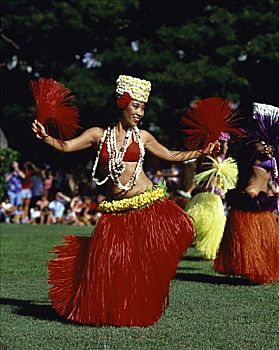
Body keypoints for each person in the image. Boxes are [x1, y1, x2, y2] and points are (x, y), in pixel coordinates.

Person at [31, 75, 218, 327]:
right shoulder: (98, 134)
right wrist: (46, 138)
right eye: (136, 106)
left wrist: (201, 151)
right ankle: (115, 311)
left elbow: (171, 154)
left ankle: (138, 304)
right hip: (116, 212)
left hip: (148, 205)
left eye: (143, 107)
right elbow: (66, 146)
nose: (140, 112)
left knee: (157, 250)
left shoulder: (143, 137)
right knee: (109, 263)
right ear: (123, 103)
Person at [214, 102, 279, 284]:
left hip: (263, 198)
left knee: (263, 242)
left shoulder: (269, 146)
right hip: (251, 196)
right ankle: (252, 269)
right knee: (252, 242)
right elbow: (261, 150)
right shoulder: (254, 145)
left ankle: (257, 269)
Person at [185, 132, 238, 260]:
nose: (226, 147)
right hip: (209, 199)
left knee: (212, 227)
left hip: (211, 197)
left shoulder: (217, 159)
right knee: (199, 225)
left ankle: (209, 251)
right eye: (224, 144)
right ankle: (207, 251)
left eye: (227, 144)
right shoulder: (208, 159)